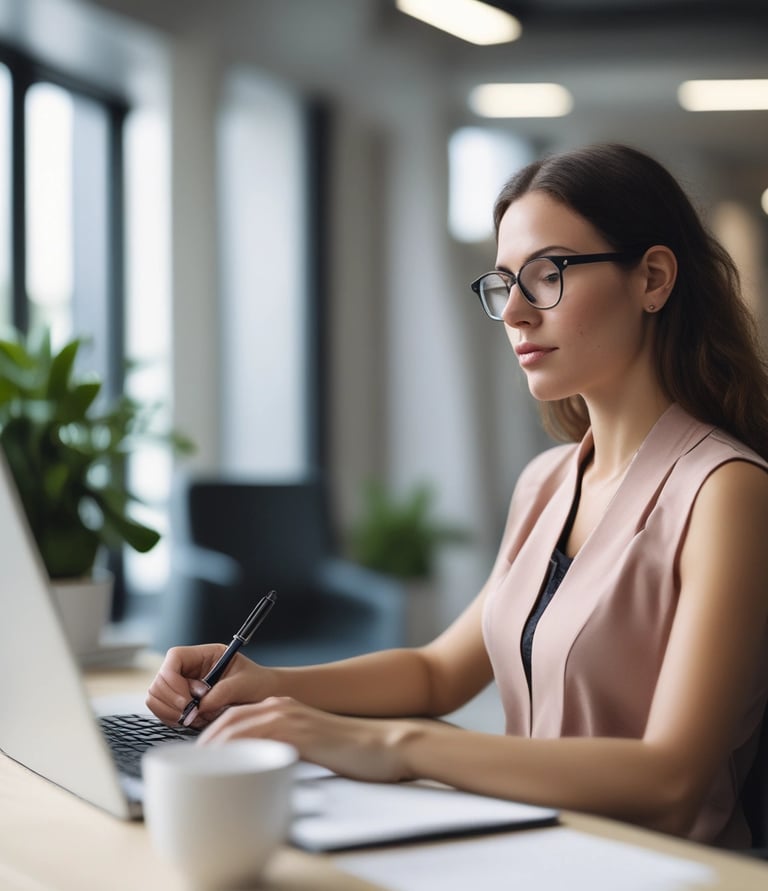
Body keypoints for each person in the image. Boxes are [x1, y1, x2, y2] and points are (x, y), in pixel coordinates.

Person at [147, 143, 768, 848]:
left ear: (652, 278)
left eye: (549, 274)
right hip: (524, 848)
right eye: (505, 283)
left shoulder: (727, 492)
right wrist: (267, 684)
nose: (516, 314)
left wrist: (396, 747)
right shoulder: (548, 481)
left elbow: (670, 777)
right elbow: (437, 670)